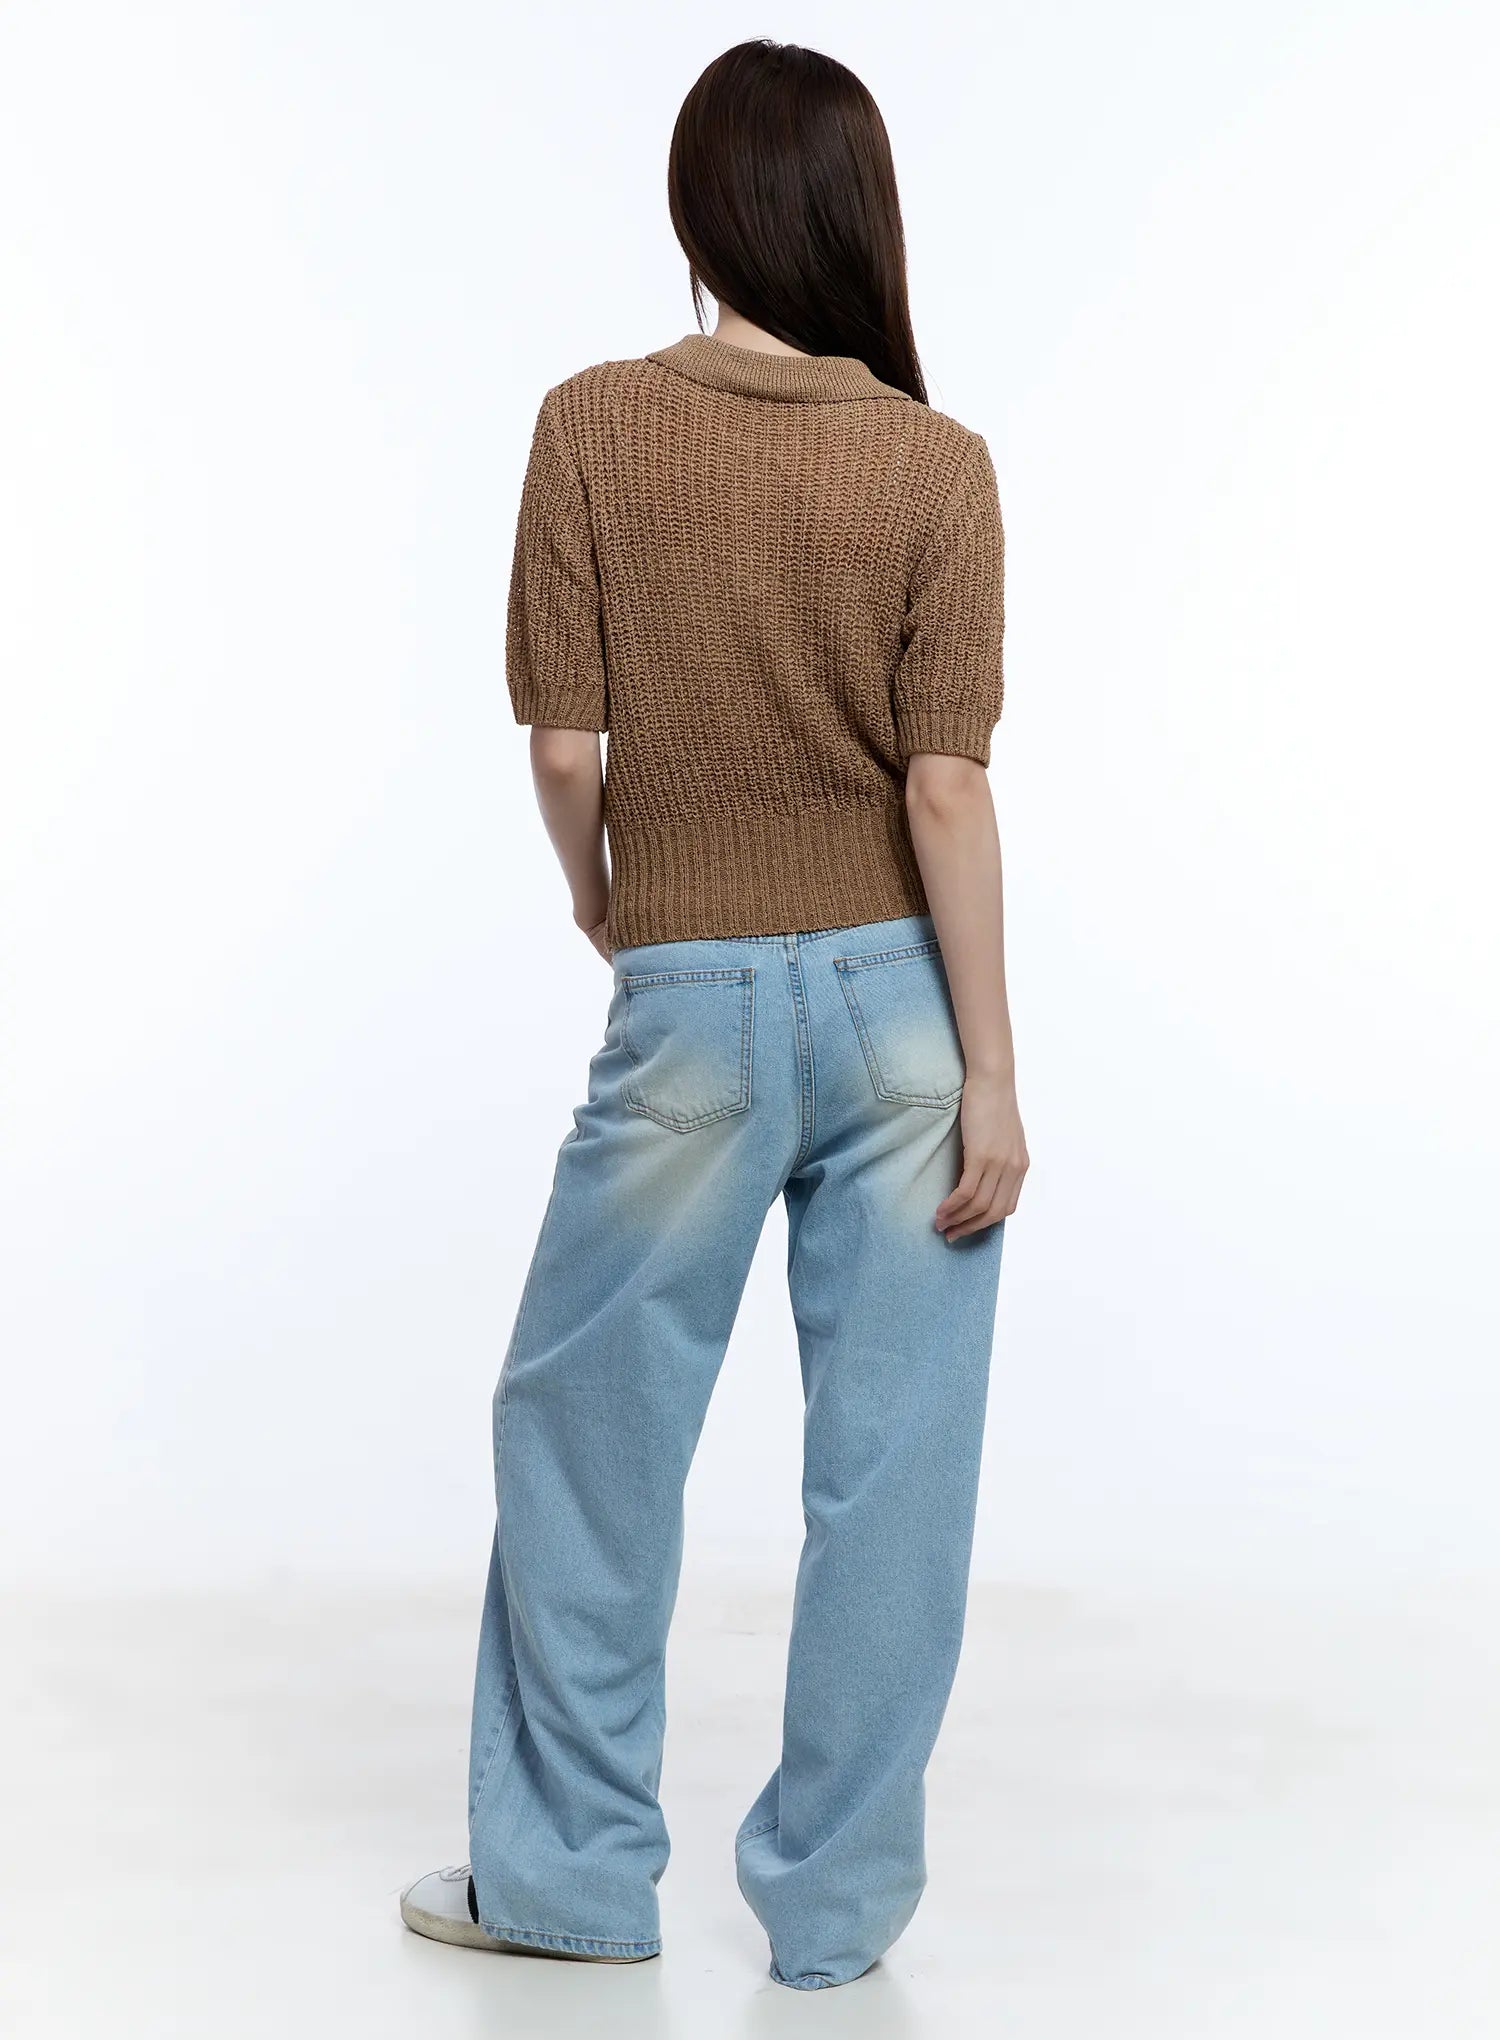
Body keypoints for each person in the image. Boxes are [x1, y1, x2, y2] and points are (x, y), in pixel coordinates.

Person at [400, 36, 1029, 1993]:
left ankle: (572, 1881)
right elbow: (946, 790)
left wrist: (607, 900)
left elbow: (564, 748)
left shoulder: (593, 426)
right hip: (905, 1010)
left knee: (586, 1430)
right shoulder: (936, 462)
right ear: (859, 217)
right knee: (893, 1470)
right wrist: (994, 1072)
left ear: (698, 210)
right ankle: (834, 1920)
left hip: (687, 1007)